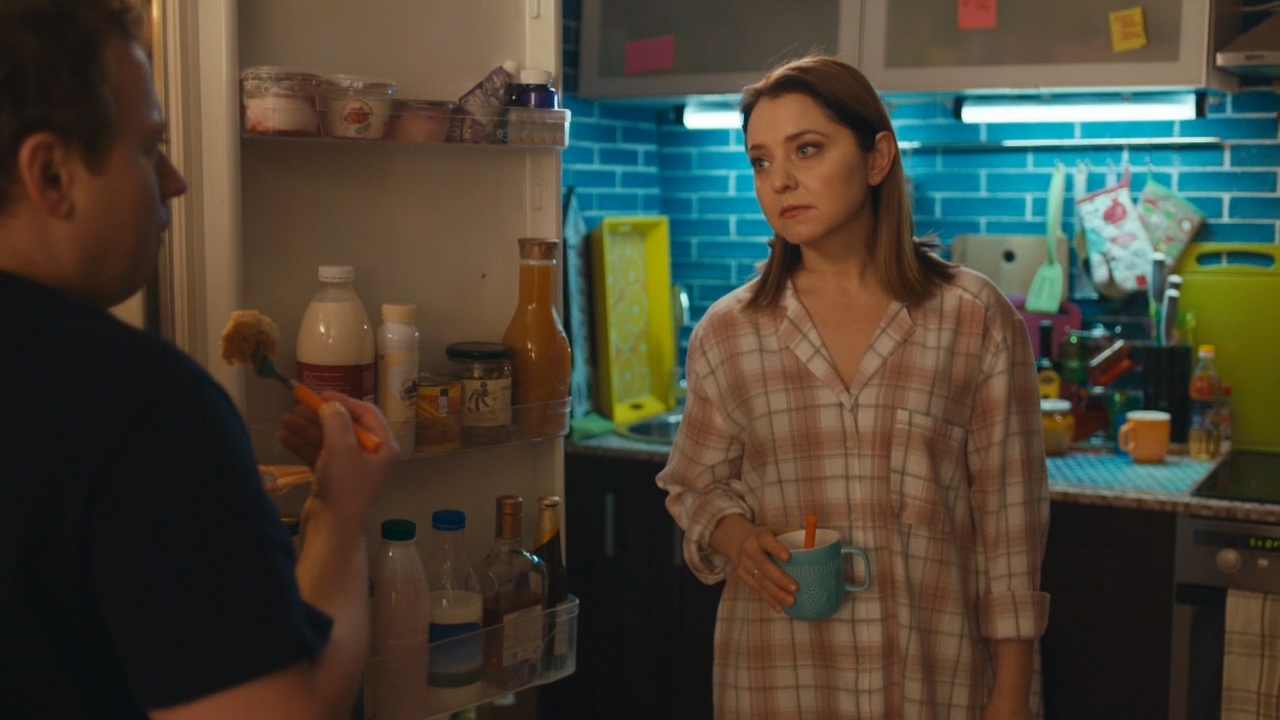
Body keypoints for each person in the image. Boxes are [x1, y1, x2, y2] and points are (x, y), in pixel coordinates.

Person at [0, 1, 400, 717]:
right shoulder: (141, 407)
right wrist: (338, 516)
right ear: (51, 174)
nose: (174, 180)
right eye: (148, 147)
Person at [656, 56, 1050, 718]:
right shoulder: (729, 332)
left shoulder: (972, 317)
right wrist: (735, 536)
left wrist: (1010, 693)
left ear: (877, 159)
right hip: (779, 677)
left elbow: (1011, 522)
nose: (780, 180)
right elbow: (694, 486)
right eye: (760, 161)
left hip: (936, 678)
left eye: (807, 149)